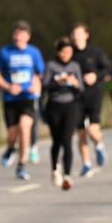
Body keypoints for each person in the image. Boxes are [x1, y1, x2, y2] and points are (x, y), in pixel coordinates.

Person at [0, 21, 44, 182]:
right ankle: (10, 149)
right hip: (10, 99)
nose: (18, 38)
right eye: (16, 34)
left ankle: (22, 165)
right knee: (12, 134)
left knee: (25, 126)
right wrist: (8, 87)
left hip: (27, 98)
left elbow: (39, 74)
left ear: (28, 36)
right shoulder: (5, 52)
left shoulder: (34, 53)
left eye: (22, 35)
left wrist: (35, 85)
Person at [43, 37, 84, 190]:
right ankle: (55, 169)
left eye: (69, 52)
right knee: (56, 140)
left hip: (70, 105)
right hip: (54, 105)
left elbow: (81, 88)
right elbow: (45, 85)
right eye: (64, 52)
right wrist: (56, 82)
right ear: (58, 52)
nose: (67, 55)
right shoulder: (51, 65)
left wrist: (74, 83)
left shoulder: (75, 66)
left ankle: (67, 176)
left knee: (67, 140)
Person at [70, 23, 110, 177]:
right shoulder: (70, 54)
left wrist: (95, 76)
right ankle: (86, 163)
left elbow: (108, 69)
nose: (77, 37)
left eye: (80, 34)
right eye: (75, 34)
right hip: (76, 97)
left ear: (87, 35)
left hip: (93, 95)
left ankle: (99, 145)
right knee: (80, 133)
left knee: (92, 130)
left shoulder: (96, 52)